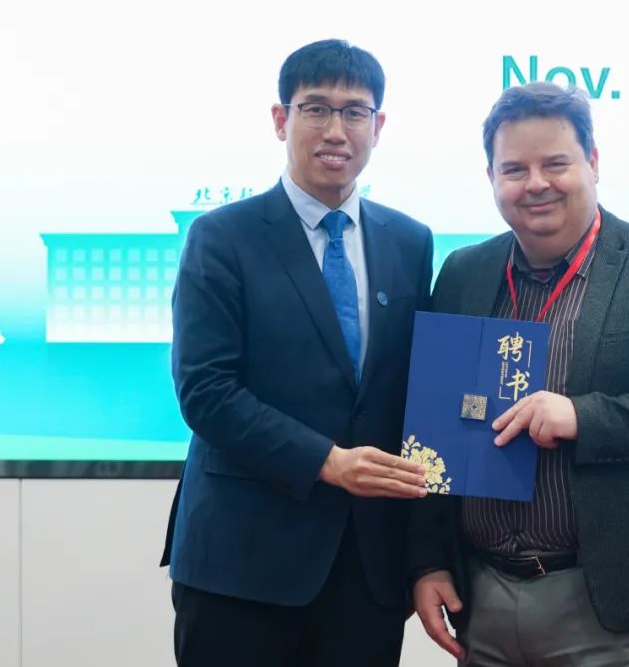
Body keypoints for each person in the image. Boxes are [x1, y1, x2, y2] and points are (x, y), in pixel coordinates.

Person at [408, 81, 629, 666]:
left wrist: (581, 416)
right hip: (486, 598)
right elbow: (436, 428)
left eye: (555, 163)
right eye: (514, 169)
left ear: (592, 161)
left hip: (620, 605)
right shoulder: (464, 273)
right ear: (491, 177)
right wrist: (428, 561)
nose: (535, 183)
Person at [160, 39, 434, 667]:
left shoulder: (409, 241)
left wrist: (428, 553)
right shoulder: (221, 236)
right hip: (241, 561)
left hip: (365, 569)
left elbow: (413, 391)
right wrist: (327, 462)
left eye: (355, 111)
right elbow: (206, 391)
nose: (336, 129)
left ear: (378, 127)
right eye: (316, 108)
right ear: (281, 119)